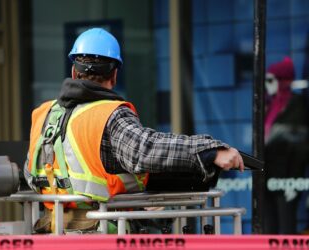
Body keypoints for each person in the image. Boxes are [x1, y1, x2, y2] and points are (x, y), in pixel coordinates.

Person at [24, 28, 244, 233]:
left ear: (73, 71)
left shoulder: (43, 114)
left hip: (53, 232)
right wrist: (210, 151)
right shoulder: (109, 115)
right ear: (114, 75)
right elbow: (146, 150)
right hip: (102, 234)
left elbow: (31, 173)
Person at [263, 57, 309, 234]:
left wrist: (294, 181)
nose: (267, 85)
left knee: (286, 228)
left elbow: (299, 146)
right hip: (266, 176)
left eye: (270, 80)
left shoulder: (296, 105)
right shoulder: (267, 104)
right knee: (268, 228)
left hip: (286, 177)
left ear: (282, 80)